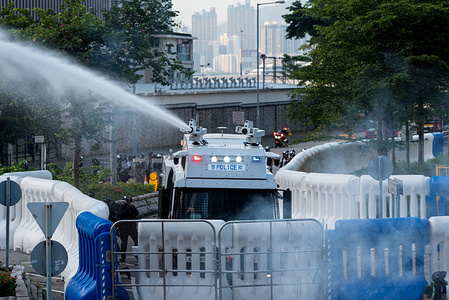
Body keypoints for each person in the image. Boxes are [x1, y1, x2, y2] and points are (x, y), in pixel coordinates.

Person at [118, 196, 139, 262]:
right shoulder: (122, 207)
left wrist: (130, 207)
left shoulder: (132, 207)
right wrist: (126, 208)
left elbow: (136, 213)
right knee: (124, 243)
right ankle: (123, 257)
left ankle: (137, 255)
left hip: (131, 225)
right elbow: (120, 214)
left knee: (137, 240)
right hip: (124, 226)